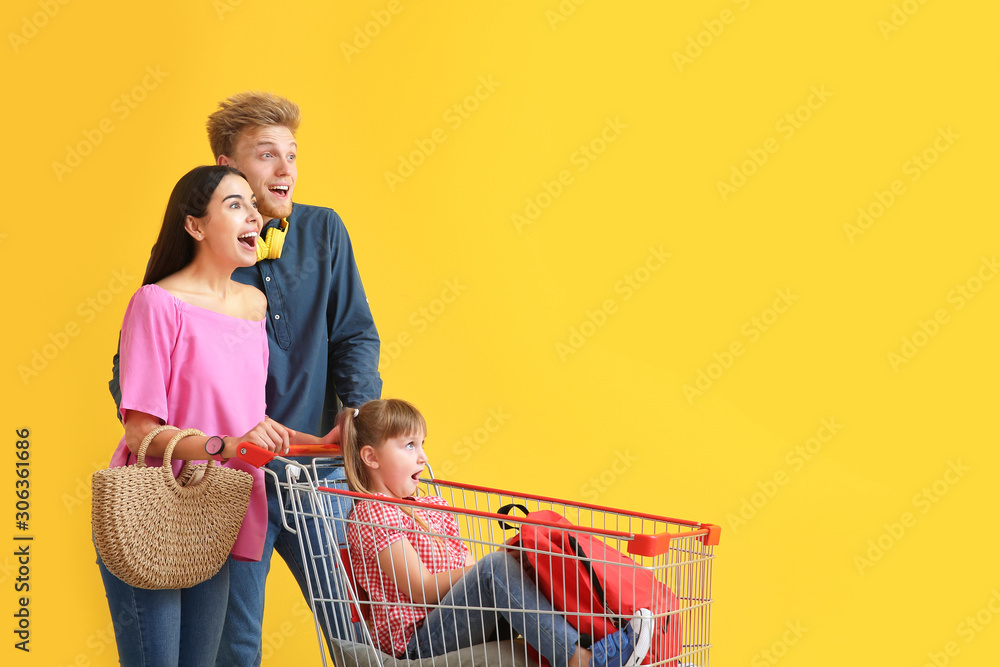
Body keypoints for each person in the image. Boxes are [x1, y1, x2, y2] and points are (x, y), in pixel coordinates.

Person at [108, 92, 382, 664]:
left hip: (314, 468)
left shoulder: (323, 232)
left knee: (356, 626)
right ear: (228, 167)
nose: (285, 170)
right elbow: (136, 372)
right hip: (227, 481)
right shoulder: (195, 262)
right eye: (266, 156)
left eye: (292, 155)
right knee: (236, 646)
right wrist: (195, 438)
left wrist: (355, 419)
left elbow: (354, 334)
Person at [97, 165, 335, 666]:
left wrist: (329, 442)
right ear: (195, 226)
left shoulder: (253, 305)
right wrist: (224, 447)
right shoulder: (157, 304)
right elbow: (142, 431)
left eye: (253, 204)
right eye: (235, 205)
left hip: (224, 511)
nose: (254, 215)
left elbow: (251, 421)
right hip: (156, 514)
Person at [340, 399, 654, 667]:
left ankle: (607, 641)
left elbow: (467, 570)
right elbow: (422, 589)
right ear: (371, 457)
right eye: (409, 445)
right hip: (416, 643)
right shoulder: (372, 511)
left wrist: (508, 562)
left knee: (528, 563)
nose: (423, 456)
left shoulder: (434, 505)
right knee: (495, 569)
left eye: (422, 444)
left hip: (455, 621)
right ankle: (583, 660)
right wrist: (489, 567)